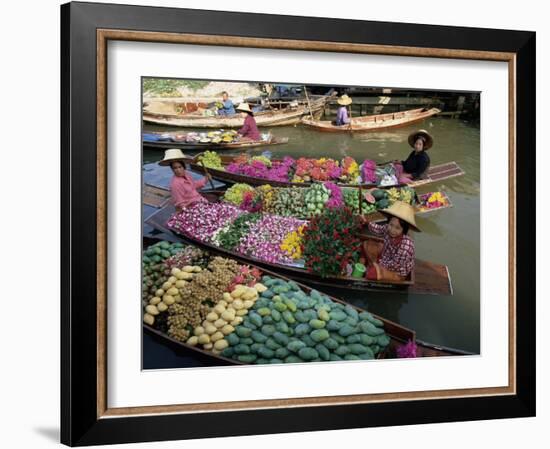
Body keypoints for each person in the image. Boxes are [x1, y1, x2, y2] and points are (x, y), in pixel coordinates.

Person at [359, 201, 420, 281]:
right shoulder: (388, 228)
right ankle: (371, 265)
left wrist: (378, 264)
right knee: (366, 244)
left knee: (373, 273)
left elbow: (395, 265)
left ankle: (372, 266)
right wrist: (366, 222)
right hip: (386, 257)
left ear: (404, 229)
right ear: (389, 222)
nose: (392, 230)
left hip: (397, 271)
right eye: (391, 225)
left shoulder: (406, 246)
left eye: (397, 228)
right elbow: (378, 229)